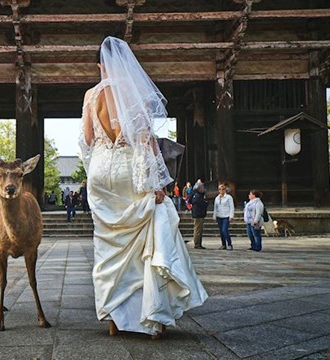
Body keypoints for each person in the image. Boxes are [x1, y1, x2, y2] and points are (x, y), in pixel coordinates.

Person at [78, 36, 207, 338]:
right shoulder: (132, 91)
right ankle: (151, 316)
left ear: (100, 65)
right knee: (142, 243)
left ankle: (114, 318)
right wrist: (156, 183)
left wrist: (94, 166)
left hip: (100, 171)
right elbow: (145, 141)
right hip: (127, 170)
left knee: (108, 245)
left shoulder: (90, 95)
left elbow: (86, 140)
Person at [212, 184, 235, 250]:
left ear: (225, 190)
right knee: (221, 231)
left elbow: (231, 207)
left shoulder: (228, 197)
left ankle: (229, 244)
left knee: (224, 230)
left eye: (223, 189)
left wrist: (231, 216)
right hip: (219, 216)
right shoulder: (217, 198)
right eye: (220, 189)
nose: (221, 191)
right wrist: (214, 216)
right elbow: (215, 208)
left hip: (226, 215)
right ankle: (223, 244)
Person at [190, 181, 209, 249]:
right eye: (202, 187)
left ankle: (198, 243)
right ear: (199, 188)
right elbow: (203, 204)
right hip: (198, 214)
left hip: (197, 213)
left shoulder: (195, 195)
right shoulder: (198, 196)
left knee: (198, 229)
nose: (203, 189)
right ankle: (197, 244)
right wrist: (206, 203)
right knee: (198, 230)